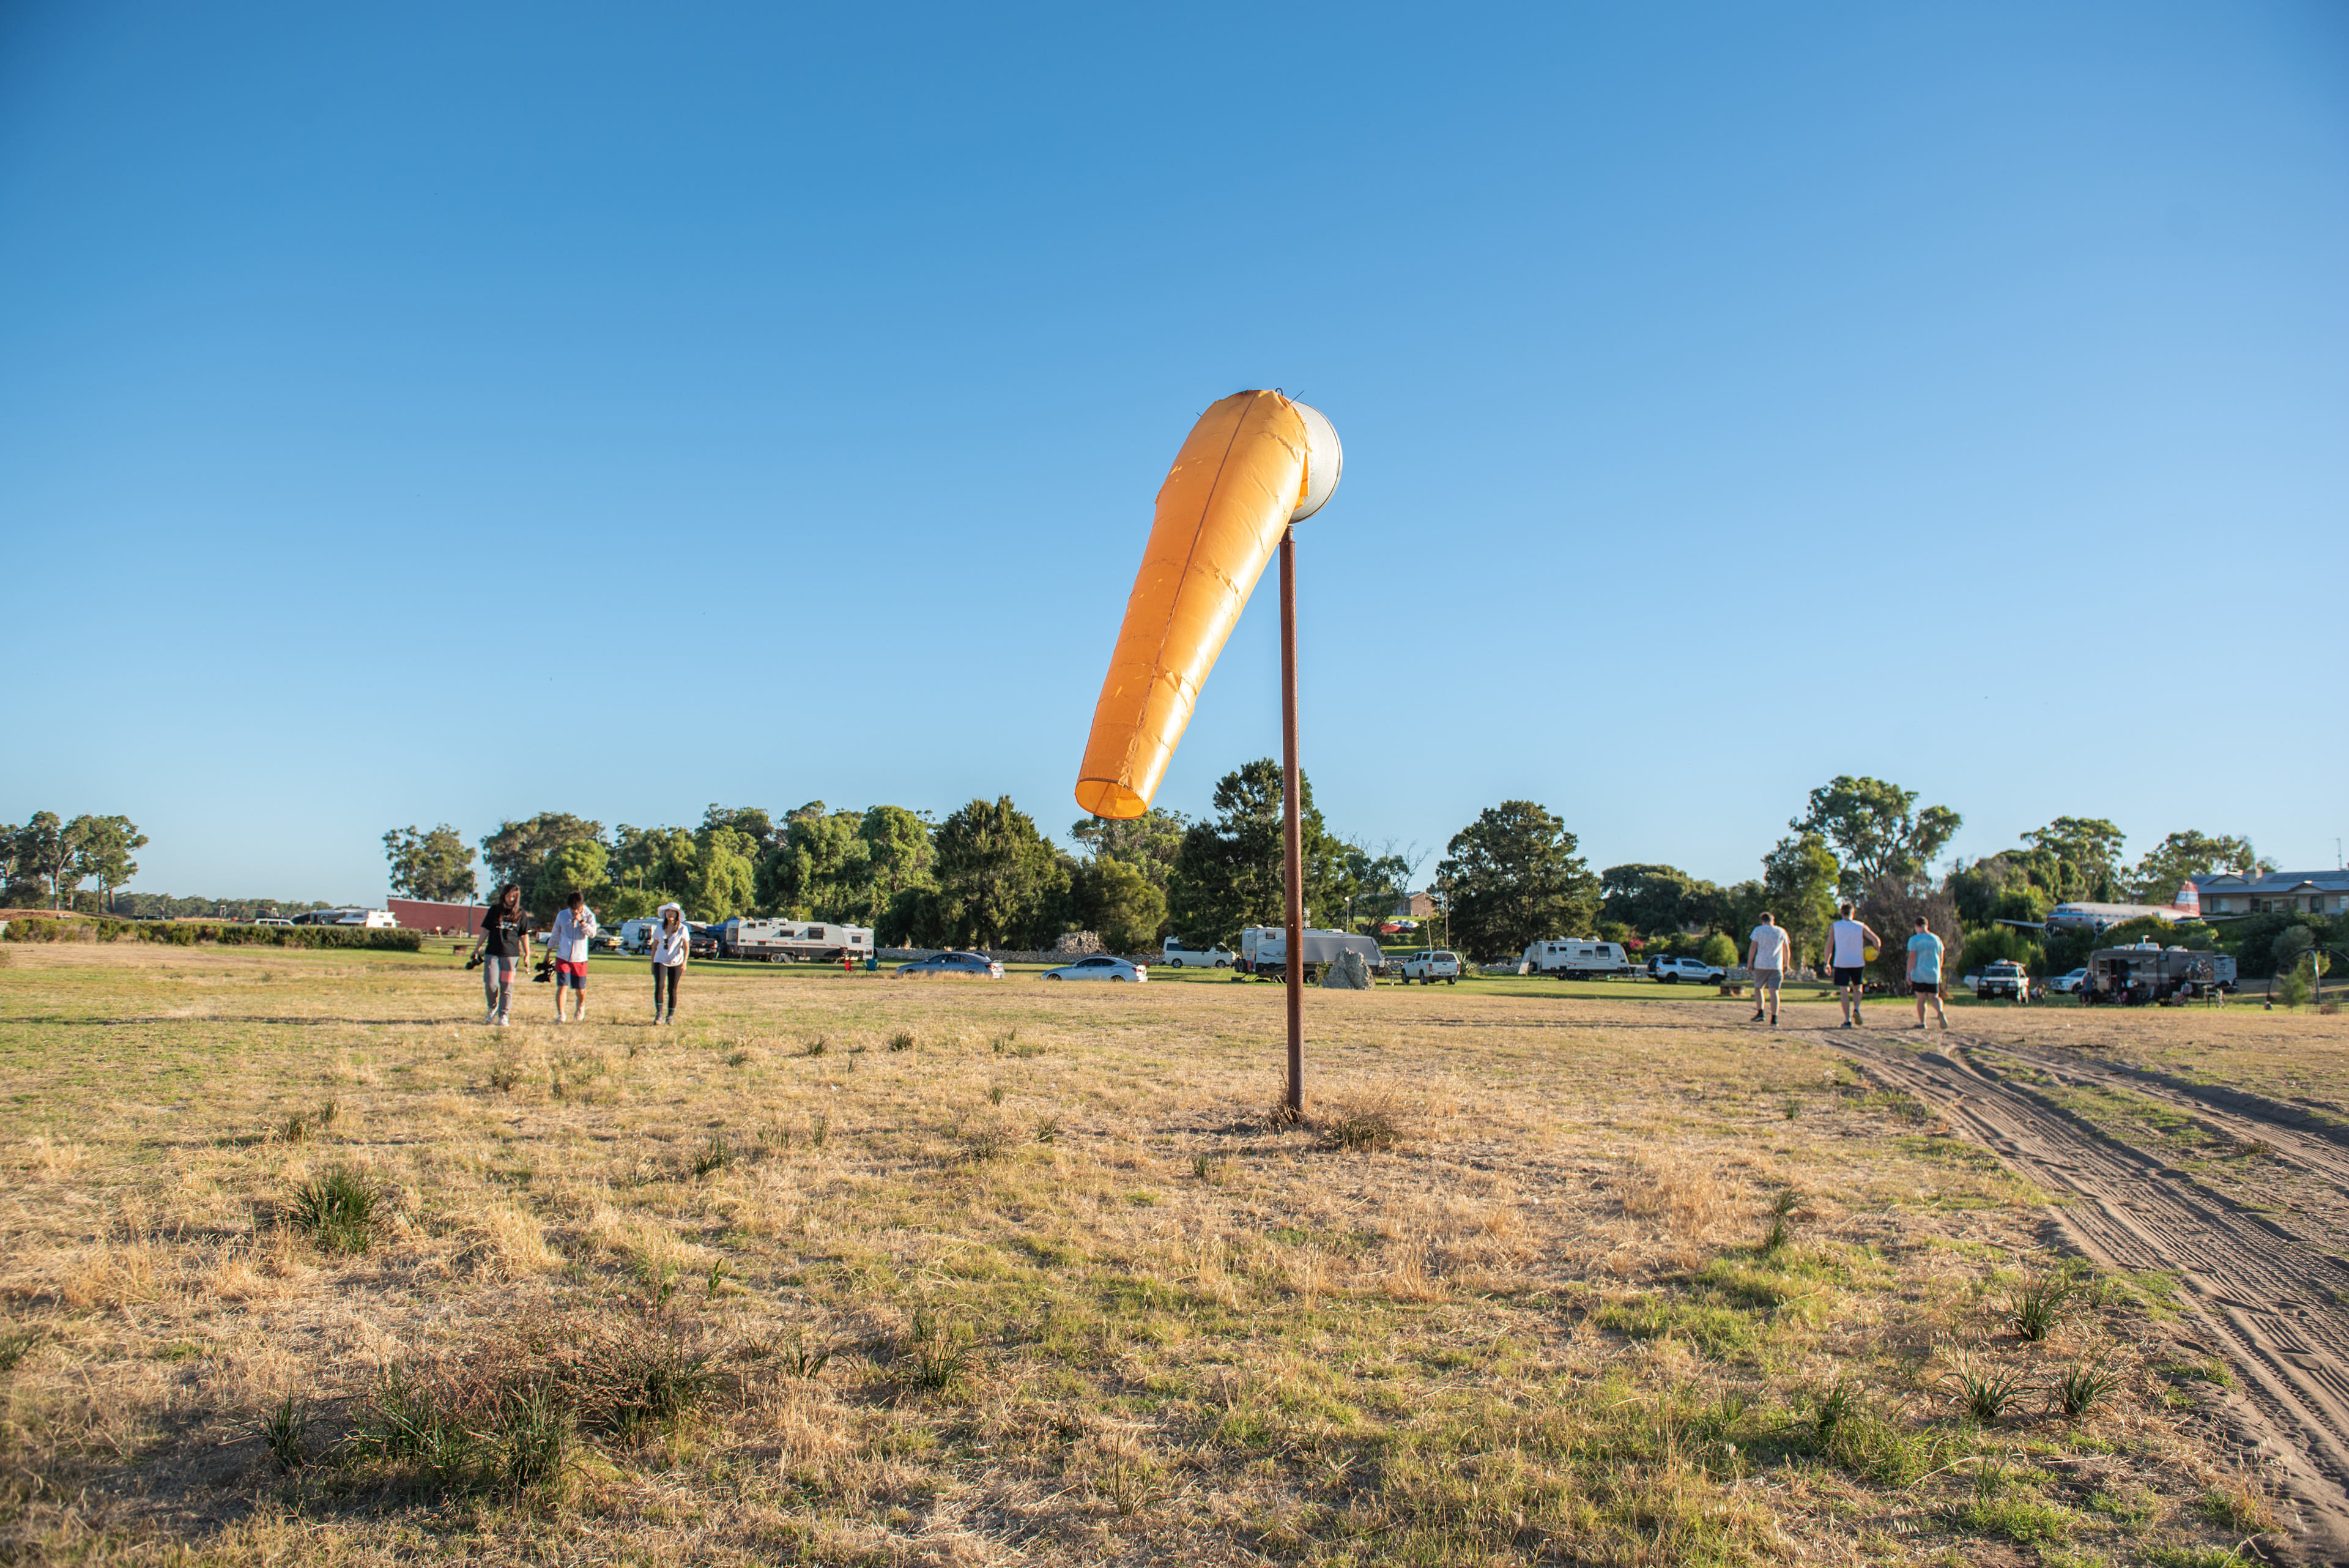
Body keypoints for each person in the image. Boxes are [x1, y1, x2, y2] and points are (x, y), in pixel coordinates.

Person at [467, 883, 531, 1027]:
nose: (511, 899)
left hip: (511, 955)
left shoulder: (521, 913)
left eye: (514, 896)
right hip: (492, 953)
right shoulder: (494, 910)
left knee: (507, 986)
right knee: (491, 984)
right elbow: (485, 931)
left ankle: (503, 1015)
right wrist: (477, 948)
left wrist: (527, 955)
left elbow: (524, 936)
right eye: (509, 896)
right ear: (504, 895)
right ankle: (492, 1007)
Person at [1828, 902, 1881, 1028]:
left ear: (1841, 913)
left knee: (1844, 990)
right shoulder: (1860, 926)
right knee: (1858, 988)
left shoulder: (1835, 926)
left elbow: (1829, 945)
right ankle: (1856, 1009)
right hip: (1857, 962)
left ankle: (1847, 1020)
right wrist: (1876, 953)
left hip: (1841, 962)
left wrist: (1827, 962)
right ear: (1853, 913)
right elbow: (1876, 941)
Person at [549, 890, 596, 1023]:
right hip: (563, 956)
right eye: (572, 908)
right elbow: (555, 934)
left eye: (578, 908)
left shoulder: (589, 916)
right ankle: (561, 1014)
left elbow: (592, 934)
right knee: (562, 986)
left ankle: (581, 1006)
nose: (575, 911)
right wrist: (548, 951)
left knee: (580, 990)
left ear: (582, 905)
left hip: (580, 959)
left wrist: (582, 922)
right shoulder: (562, 915)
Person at [1746, 911, 1791, 1026]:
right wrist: (1787, 964)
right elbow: (1786, 949)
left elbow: (1753, 947)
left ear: (1762, 921)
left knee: (1758, 987)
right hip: (1776, 965)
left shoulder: (1758, 930)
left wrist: (1750, 963)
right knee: (1774, 991)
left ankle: (1761, 1012)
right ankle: (1774, 1018)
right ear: (1773, 920)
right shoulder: (1781, 931)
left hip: (1761, 964)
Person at [1906, 915, 1949, 1030]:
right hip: (1934, 973)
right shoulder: (1936, 939)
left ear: (1916, 926)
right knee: (1934, 997)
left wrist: (1909, 973)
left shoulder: (1914, 940)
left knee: (1921, 998)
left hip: (1919, 973)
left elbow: (1912, 957)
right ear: (1927, 925)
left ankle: (1922, 1022)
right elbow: (1941, 957)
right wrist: (1938, 969)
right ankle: (1940, 1012)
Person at [650, 901, 688, 1024]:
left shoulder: (683, 929)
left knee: (672, 988)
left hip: (676, 961)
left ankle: (670, 1016)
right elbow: (655, 946)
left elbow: (686, 947)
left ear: (678, 914)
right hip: (660, 959)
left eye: (673, 912)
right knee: (660, 986)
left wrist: (685, 961)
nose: (670, 914)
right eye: (668, 911)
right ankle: (659, 1014)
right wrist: (652, 963)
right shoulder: (659, 927)